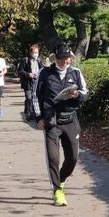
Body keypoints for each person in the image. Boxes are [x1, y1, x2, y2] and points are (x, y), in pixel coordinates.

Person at [32, 43, 88, 207]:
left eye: (67, 58)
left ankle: (61, 179)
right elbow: (35, 97)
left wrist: (77, 94)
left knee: (72, 158)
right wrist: (38, 118)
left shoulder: (76, 73)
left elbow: (85, 92)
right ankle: (57, 191)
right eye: (61, 58)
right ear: (55, 58)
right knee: (53, 158)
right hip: (51, 122)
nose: (65, 61)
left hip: (70, 120)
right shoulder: (45, 73)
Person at [18, 44, 43, 121]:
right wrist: (28, 74)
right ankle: (28, 113)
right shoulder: (25, 60)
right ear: (30, 53)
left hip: (37, 82)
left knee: (35, 98)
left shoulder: (39, 60)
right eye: (34, 52)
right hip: (28, 82)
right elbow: (20, 71)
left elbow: (42, 70)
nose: (36, 54)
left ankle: (33, 113)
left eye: (37, 52)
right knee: (28, 98)